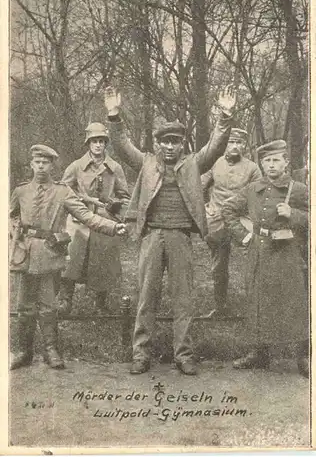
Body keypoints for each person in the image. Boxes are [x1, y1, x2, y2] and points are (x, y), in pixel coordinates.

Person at [104, 85, 236, 376]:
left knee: (183, 299)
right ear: (158, 144)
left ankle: (184, 355)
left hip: (180, 238)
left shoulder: (193, 164)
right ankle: (141, 355)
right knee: (146, 297)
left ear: (182, 145)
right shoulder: (146, 162)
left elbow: (215, 146)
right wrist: (114, 115)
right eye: (164, 142)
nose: (169, 147)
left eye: (175, 142)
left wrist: (225, 115)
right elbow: (123, 145)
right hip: (152, 236)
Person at [10, 144, 126, 370]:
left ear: (53, 166)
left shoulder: (63, 192)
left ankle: (51, 350)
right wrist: (13, 234)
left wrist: (113, 227)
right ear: (31, 165)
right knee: (24, 306)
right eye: (37, 162)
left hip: (50, 254)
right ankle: (23, 351)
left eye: (46, 162)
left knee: (48, 306)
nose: (41, 166)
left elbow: (86, 216)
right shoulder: (21, 191)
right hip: (24, 256)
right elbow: (9, 215)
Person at [222, 140, 309, 378]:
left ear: (286, 163)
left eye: (276, 160)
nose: (271, 165)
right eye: (267, 160)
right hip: (260, 250)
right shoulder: (253, 188)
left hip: (288, 251)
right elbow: (228, 210)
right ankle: (259, 353)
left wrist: (295, 214)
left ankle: (303, 355)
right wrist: (245, 236)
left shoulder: (299, 189)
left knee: (293, 301)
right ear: (261, 163)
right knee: (258, 301)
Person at [58, 122, 130, 315]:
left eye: (101, 141)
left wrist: (113, 203)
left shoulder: (115, 168)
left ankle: (100, 304)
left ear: (106, 143)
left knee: (103, 263)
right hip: (78, 221)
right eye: (94, 141)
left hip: (105, 222)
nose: (98, 145)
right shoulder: (76, 167)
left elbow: (125, 197)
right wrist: (82, 199)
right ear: (88, 143)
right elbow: (62, 192)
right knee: (71, 261)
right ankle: (65, 301)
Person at [202, 128, 261, 317]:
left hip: (242, 220)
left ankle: (256, 307)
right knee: (219, 265)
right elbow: (198, 187)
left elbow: (259, 195)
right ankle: (220, 307)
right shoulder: (215, 163)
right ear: (224, 144)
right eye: (231, 142)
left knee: (254, 260)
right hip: (217, 220)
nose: (235, 146)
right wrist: (205, 206)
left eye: (239, 143)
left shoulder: (252, 168)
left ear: (244, 145)